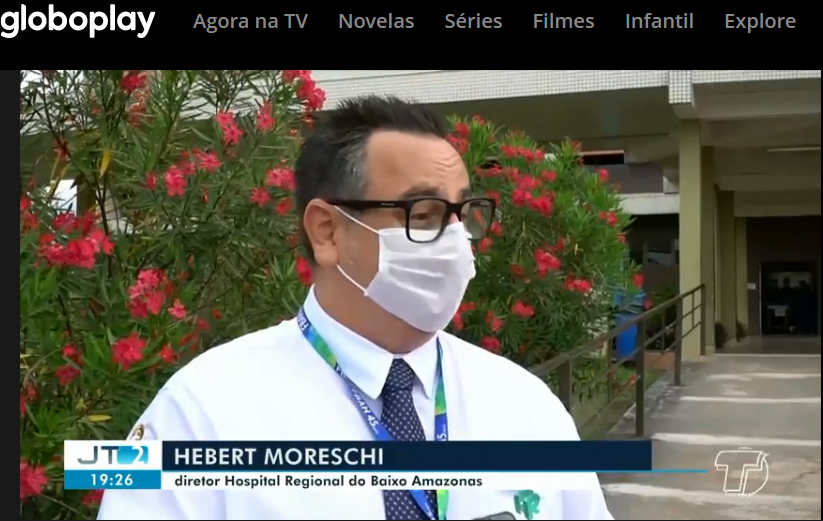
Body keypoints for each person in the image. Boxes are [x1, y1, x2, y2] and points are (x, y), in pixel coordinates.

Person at [98, 95, 613, 520]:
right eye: (424, 213)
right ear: (327, 231)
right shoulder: (201, 412)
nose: (456, 238)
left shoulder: (524, 406)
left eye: (463, 212)